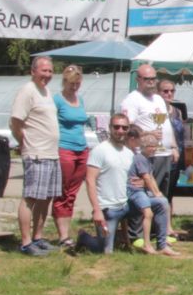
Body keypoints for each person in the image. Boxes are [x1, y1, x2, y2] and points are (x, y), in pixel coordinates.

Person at [10, 55, 60, 256]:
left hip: (51, 153)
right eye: (43, 71)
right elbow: (16, 121)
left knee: (46, 198)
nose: (47, 74)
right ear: (33, 71)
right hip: (36, 153)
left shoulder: (46, 92)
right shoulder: (27, 91)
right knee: (30, 197)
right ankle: (25, 242)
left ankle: (38, 237)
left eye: (50, 71)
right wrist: (23, 141)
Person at [121, 63, 178, 197]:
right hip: (148, 155)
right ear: (138, 79)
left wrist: (174, 147)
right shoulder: (132, 100)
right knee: (150, 195)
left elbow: (167, 124)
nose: (151, 82)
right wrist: (147, 134)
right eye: (147, 79)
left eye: (153, 78)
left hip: (165, 153)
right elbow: (127, 130)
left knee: (164, 197)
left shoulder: (158, 99)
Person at [84, 115, 137, 254]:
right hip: (107, 209)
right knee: (105, 251)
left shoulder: (129, 153)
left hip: (126, 205)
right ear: (110, 128)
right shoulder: (99, 150)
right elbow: (90, 180)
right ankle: (84, 238)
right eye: (116, 127)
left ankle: (143, 240)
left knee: (158, 204)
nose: (120, 130)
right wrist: (97, 210)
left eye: (124, 127)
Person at [124, 128, 179, 256]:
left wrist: (158, 193)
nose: (154, 149)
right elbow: (146, 178)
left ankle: (162, 244)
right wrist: (155, 193)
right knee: (148, 213)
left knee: (163, 202)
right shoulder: (140, 158)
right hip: (135, 192)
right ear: (143, 147)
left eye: (155, 146)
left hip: (142, 191)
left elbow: (151, 177)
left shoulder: (148, 159)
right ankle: (147, 244)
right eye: (151, 146)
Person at [52, 64, 89, 251]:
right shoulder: (57, 100)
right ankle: (63, 235)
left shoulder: (79, 99)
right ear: (64, 82)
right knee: (63, 191)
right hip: (64, 148)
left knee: (72, 193)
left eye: (77, 84)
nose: (74, 87)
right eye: (72, 83)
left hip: (81, 149)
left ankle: (67, 232)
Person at [158, 78, 186, 212]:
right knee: (160, 192)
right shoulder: (156, 111)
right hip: (161, 155)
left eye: (172, 91)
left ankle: (168, 222)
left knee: (170, 192)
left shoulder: (177, 111)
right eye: (165, 91)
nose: (169, 93)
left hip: (176, 156)